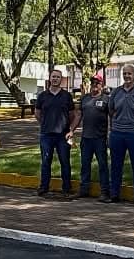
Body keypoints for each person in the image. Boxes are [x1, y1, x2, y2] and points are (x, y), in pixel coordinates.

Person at [107, 64, 134, 205]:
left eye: (129, 74)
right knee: (115, 165)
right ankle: (114, 194)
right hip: (118, 133)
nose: (127, 76)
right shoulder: (116, 92)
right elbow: (111, 110)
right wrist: (116, 124)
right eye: (124, 74)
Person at [35, 68, 75, 199]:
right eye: (53, 77)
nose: (55, 79)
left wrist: (68, 129)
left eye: (58, 77)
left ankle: (67, 188)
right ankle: (44, 187)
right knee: (46, 161)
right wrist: (45, 123)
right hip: (46, 134)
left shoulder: (67, 96)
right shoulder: (42, 96)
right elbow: (37, 113)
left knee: (65, 161)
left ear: (61, 79)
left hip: (62, 135)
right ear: (49, 78)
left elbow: (72, 114)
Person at [75, 73, 111, 202]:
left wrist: (110, 134)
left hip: (100, 138)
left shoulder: (107, 99)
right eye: (93, 82)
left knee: (103, 166)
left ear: (102, 85)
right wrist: (71, 130)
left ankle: (105, 192)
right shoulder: (85, 99)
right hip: (86, 138)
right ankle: (83, 189)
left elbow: (112, 117)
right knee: (85, 165)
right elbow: (79, 115)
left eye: (98, 83)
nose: (95, 85)